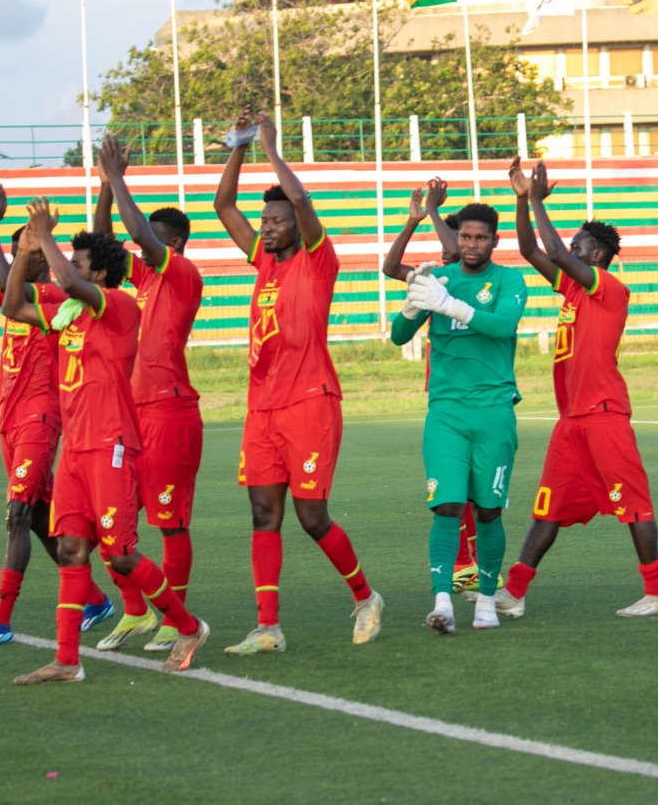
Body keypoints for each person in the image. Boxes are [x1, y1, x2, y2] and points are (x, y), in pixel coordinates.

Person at [1, 198, 209, 684]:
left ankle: (188, 625)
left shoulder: (116, 305)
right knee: (73, 550)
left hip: (112, 445)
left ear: (99, 275)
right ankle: (66, 660)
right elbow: (12, 305)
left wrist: (43, 235)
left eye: (77, 262)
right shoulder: (66, 313)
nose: (66, 270)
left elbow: (69, 281)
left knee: (121, 554)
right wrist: (26, 252)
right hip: (75, 451)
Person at [214, 111, 383, 655]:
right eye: (264, 220)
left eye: (276, 221)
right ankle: (268, 627)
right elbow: (223, 207)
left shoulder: (317, 261)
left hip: (310, 401)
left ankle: (365, 597)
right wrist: (238, 147)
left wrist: (270, 147)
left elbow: (305, 202)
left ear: (296, 225)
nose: (267, 227)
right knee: (264, 514)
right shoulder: (262, 260)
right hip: (261, 407)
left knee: (311, 517)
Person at [493, 157, 658, 618]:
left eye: (577, 246)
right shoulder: (574, 289)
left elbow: (553, 249)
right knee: (547, 509)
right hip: (572, 421)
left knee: (633, 506)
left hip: (605, 413)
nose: (569, 250)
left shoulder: (608, 288)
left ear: (594, 256)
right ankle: (514, 594)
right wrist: (521, 200)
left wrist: (536, 198)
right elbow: (533, 249)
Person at [0, 179, 112, 645]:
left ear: (42, 256)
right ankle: (97, 599)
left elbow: (6, 288)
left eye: (29, 247)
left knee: (17, 514)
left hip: (40, 417)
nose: (23, 253)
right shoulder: (18, 296)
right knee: (39, 516)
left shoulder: (59, 300)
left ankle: (1, 619)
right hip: (9, 415)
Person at [390, 192, 528, 634]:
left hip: (493, 411)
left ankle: (487, 602)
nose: (471, 244)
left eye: (480, 238)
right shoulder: (439, 277)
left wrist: (450, 306)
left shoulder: (510, 281)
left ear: (494, 241)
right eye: (465, 236)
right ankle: (443, 602)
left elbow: (502, 326)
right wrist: (414, 303)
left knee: (488, 511)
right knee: (446, 506)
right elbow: (398, 335)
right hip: (446, 411)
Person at [92, 135, 207, 654]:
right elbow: (101, 247)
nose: (141, 247)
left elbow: (136, 230)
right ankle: (136, 611)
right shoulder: (137, 278)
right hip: (127, 415)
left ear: (174, 244)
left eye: (154, 241)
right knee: (111, 520)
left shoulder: (182, 275)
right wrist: (103, 187)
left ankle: (172, 617)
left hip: (169, 413)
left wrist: (119, 178)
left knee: (169, 523)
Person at [381, 181, 484, 594]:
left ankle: (474, 564)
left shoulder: (480, 281)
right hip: (446, 401)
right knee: (453, 490)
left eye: (451, 249)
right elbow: (390, 268)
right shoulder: (436, 282)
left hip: (484, 399)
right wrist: (413, 220)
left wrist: (437, 214)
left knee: (478, 494)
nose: (445, 257)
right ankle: (464, 564)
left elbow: (459, 253)